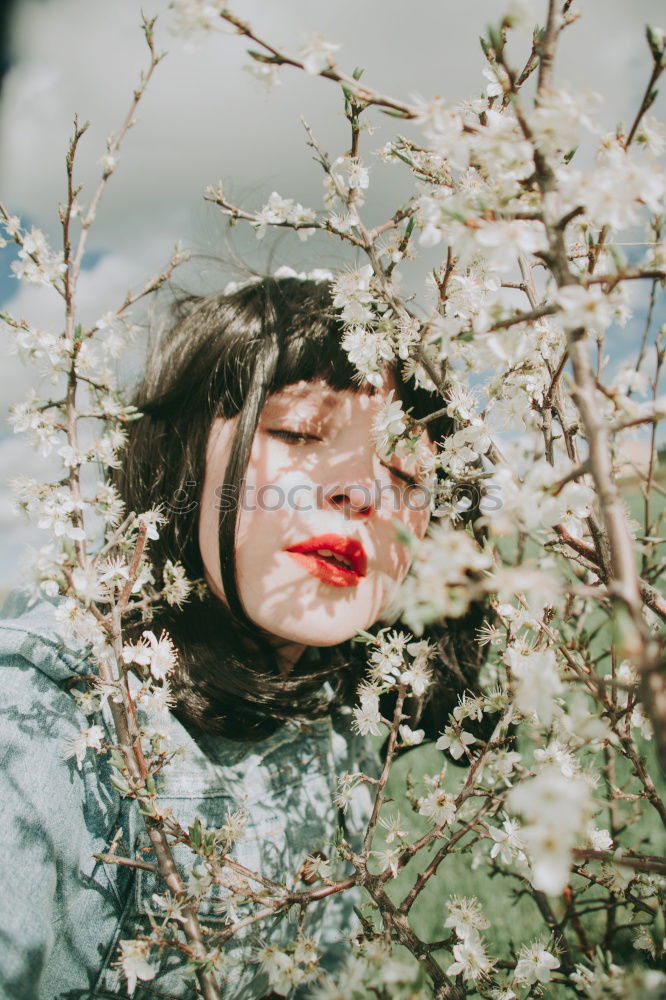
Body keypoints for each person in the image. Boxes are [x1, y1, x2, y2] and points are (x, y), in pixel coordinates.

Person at [0, 274, 486, 999]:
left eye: (404, 468)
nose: (363, 490)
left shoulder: (344, 732)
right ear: (184, 456)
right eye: (297, 432)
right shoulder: (39, 722)